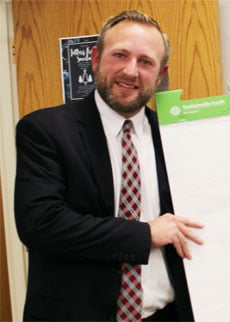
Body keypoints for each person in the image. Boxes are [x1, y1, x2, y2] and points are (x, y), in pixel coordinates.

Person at [14, 10, 204, 321]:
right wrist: (145, 234)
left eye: (146, 62)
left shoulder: (175, 137)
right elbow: (41, 223)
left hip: (167, 314)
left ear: (160, 74)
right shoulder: (45, 130)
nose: (131, 71)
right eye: (120, 55)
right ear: (95, 57)